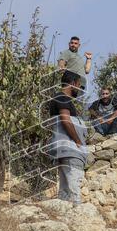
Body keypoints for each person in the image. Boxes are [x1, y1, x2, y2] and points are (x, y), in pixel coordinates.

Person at [47, 70, 88, 203]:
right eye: (78, 85)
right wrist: (78, 141)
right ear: (73, 83)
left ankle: (65, 211)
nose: (79, 89)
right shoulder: (62, 97)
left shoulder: (59, 98)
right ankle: (76, 210)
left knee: (65, 188)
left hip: (64, 149)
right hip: (70, 149)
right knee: (74, 183)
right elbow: (65, 119)